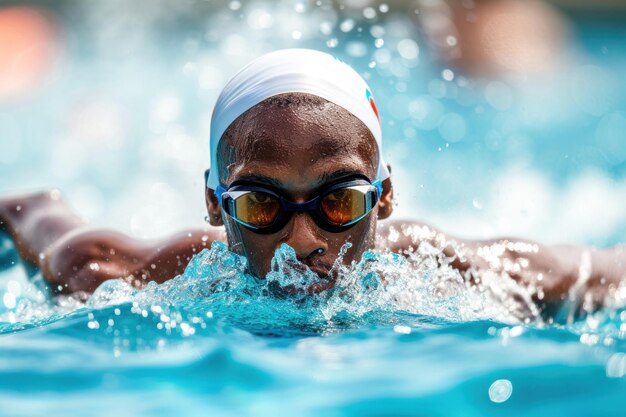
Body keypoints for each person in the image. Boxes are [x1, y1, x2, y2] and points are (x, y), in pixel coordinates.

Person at [0, 49, 623, 317]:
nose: (304, 242)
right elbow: (23, 208)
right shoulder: (115, 275)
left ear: (384, 197)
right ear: (215, 206)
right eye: (261, 206)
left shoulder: (467, 273)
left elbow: (609, 273)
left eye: (340, 202)